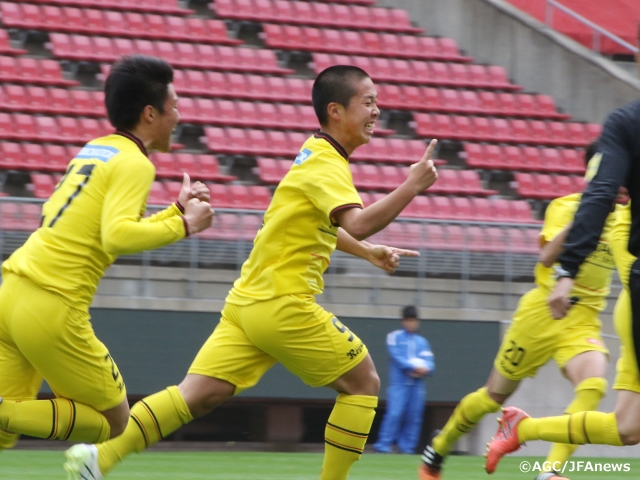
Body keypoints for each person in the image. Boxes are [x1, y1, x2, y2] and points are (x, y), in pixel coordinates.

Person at [64, 64, 439, 480]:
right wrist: (411, 187)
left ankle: (98, 459)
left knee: (197, 395)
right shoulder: (326, 165)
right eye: (368, 102)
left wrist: (366, 252)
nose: (376, 111)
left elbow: (305, 225)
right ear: (336, 110)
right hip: (283, 304)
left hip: (248, 303)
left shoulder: (312, 155)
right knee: (363, 382)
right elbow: (357, 222)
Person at [0, 55, 213, 454]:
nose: (179, 116)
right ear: (151, 113)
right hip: (52, 303)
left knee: (5, 430)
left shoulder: (96, 149)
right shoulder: (136, 164)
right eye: (176, 106)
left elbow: (101, 225)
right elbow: (116, 236)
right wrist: (185, 225)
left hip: (12, 291)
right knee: (113, 422)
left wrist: (174, 211)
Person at [419, 142, 629, 480]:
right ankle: (438, 447)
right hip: (541, 312)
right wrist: (591, 213)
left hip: (584, 317)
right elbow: (547, 258)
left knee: (593, 386)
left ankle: (550, 471)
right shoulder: (566, 207)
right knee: (493, 397)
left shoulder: (627, 220)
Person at [483, 26, 640, 473]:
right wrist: (567, 269)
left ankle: (524, 431)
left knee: (628, 428)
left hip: (629, 301)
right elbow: (594, 199)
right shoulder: (626, 129)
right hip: (622, 298)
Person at [374, 305, 434, 454]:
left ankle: (407, 448)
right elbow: (397, 357)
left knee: (414, 416)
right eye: (408, 320)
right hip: (399, 384)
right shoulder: (394, 336)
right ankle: (383, 446)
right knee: (394, 414)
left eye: (413, 320)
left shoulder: (422, 342)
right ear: (403, 321)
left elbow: (430, 363)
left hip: (417, 386)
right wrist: (413, 368)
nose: (411, 323)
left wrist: (424, 370)